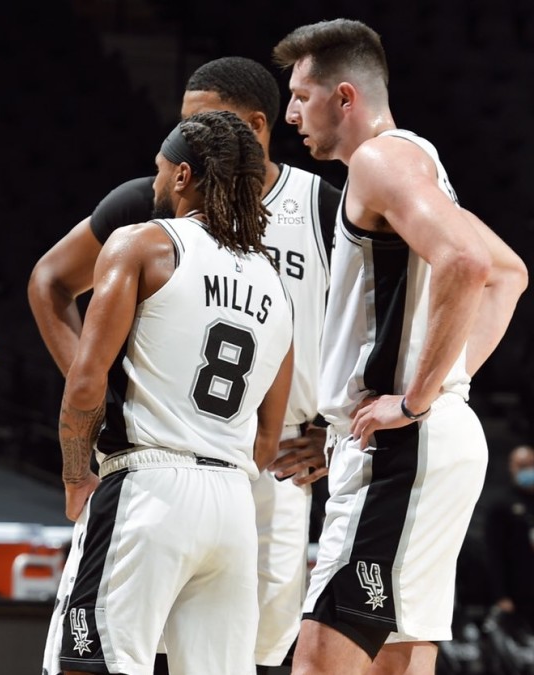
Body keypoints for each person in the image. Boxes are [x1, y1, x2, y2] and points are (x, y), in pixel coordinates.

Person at [29, 56, 338, 672]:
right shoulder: (271, 279)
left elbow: (88, 381)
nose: (152, 183)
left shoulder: (146, 241)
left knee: (87, 663)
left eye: (159, 171)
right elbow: (267, 437)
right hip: (235, 490)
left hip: (152, 478)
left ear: (182, 177)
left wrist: (76, 470)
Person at [272, 18, 528, 674]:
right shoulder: (417, 162)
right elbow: (508, 274)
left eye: (302, 95)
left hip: (403, 450)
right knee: (396, 661)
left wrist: (415, 400)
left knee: (318, 662)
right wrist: (443, 386)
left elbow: (469, 263)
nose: (291, 112)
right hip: (421, 442)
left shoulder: (382, 159)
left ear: (346, 96)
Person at [484, 445, 534, 629]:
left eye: (530, 464)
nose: (527, 470)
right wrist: (501, 595)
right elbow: (494, 552)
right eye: (521, 466)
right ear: (511, 468)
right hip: (517, 592)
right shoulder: (502, 505)